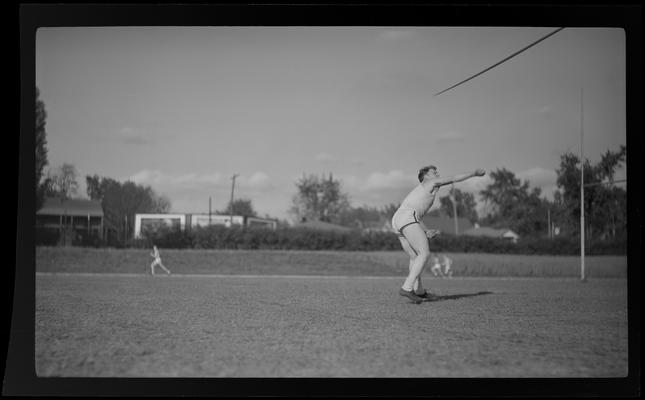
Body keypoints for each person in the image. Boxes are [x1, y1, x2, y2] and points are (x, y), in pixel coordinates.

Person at [392, 165, 485, 303]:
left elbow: (414, 214)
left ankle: (419, 291)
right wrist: (473, 173)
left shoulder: (423, 190)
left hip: (398, 219)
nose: (437, 174)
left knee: (414, 257)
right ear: (426, 176)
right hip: (407, 217)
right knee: (424, 254)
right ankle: (407, 288)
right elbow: (453, 179)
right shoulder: (430, 182)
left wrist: (425, 230)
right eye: (434, 172)